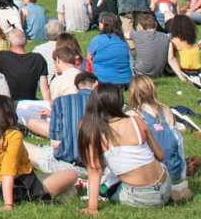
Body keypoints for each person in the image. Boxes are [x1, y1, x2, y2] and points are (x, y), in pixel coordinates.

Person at [0, 94, 77, 208]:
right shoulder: (13, 136)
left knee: (59, 183)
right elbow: (8, 171)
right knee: (72, 174)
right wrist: (8, 204)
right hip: (19, 188)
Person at [77, 85, 171, 212]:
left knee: (107, 185)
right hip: (165, 185)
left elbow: (95, 171)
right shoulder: (136, 121)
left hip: (140, 197)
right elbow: (160, 156)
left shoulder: (95, 132)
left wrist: (92, 208)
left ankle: (101, 191)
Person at [127, 75, 193, 204]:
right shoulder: (166, 110)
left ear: (133, 92)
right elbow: (176, 141)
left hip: (155, 176)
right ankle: (178, 189)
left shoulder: (134, 114)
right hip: (177, 172)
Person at [87, 12, 132, 85]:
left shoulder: (97, 40)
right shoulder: (123, 40)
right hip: (125, 81)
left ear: (103, 25)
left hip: (103, 81)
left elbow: (89, 60)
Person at [130, 12, 173, 78]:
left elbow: (125, 34)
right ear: (156, 24)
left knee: (126, 49)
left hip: (140, 73)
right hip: (158, 73)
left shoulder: (137, 35)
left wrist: (130, 24)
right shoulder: (167, 37)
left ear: (141, 26)